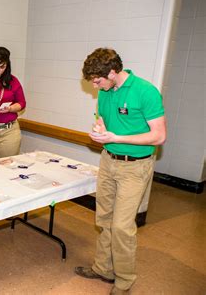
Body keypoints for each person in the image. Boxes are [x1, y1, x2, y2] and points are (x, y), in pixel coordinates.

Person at [75, 48, 166, 295]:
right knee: (104, 220)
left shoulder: (146, 92)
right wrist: (100, 129)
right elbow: (103, 120)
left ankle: (124, 281)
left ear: (113, 72)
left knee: (122, 227)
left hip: (135, 167)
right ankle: (103, 268)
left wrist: (117, 136)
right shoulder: (105, 92)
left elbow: (159, 135)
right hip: (108, 161)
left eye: (98, 80)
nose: (94, 85)